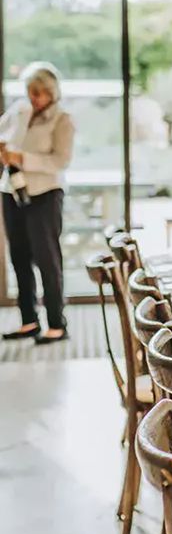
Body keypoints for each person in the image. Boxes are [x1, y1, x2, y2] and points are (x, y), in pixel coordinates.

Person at [0, 61, 75, 344]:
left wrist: (23, 159)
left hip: (45, 194)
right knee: (18, 257)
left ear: (53, 92)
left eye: (41, 92)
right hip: (12, 191)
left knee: (47, 258)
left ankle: (57, 323)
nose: (36, 98)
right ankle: (28, 320)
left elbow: (61, 161)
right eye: (31, 91)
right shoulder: (19, 111)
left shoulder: (62, 119)